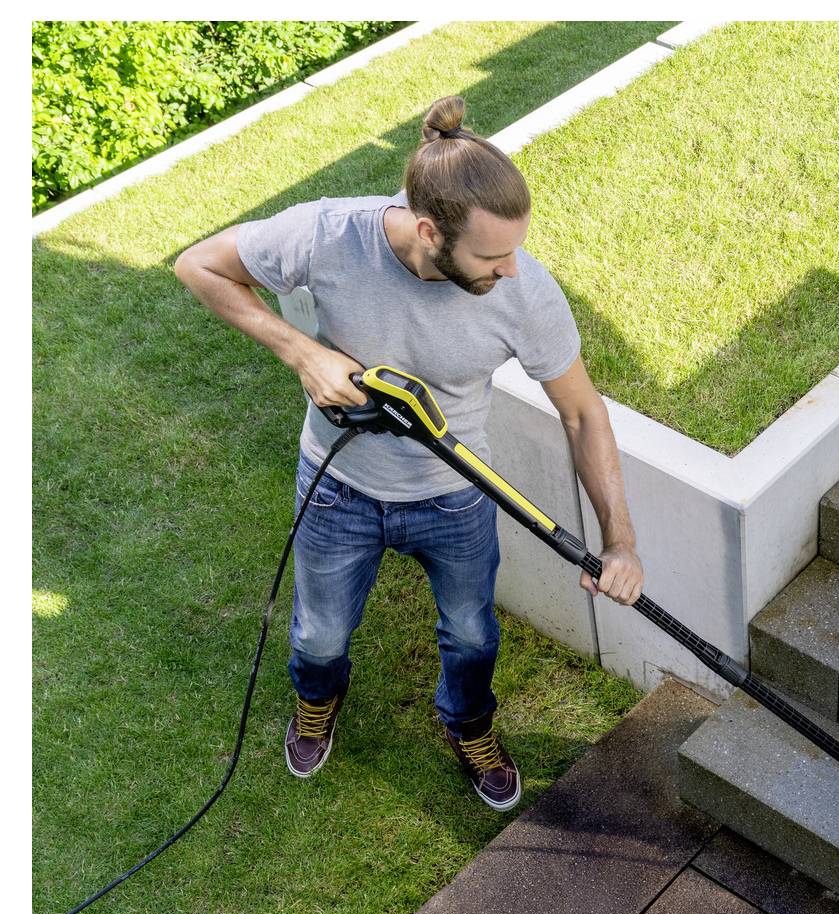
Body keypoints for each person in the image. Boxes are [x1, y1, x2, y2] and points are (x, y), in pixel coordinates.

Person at [174, 95, 643, 811]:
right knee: (320, 633)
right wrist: (302, 352)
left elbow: (582, 413)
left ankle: (468, 726)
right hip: (338, 488)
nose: (510, 269)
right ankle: (316, 700)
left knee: (470, 633)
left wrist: (621, 541)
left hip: (455, 494)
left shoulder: (525, 291)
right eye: (491, 255)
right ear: (428, 231)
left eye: (514, 249)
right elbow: (199, 265)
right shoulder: (327, 234)